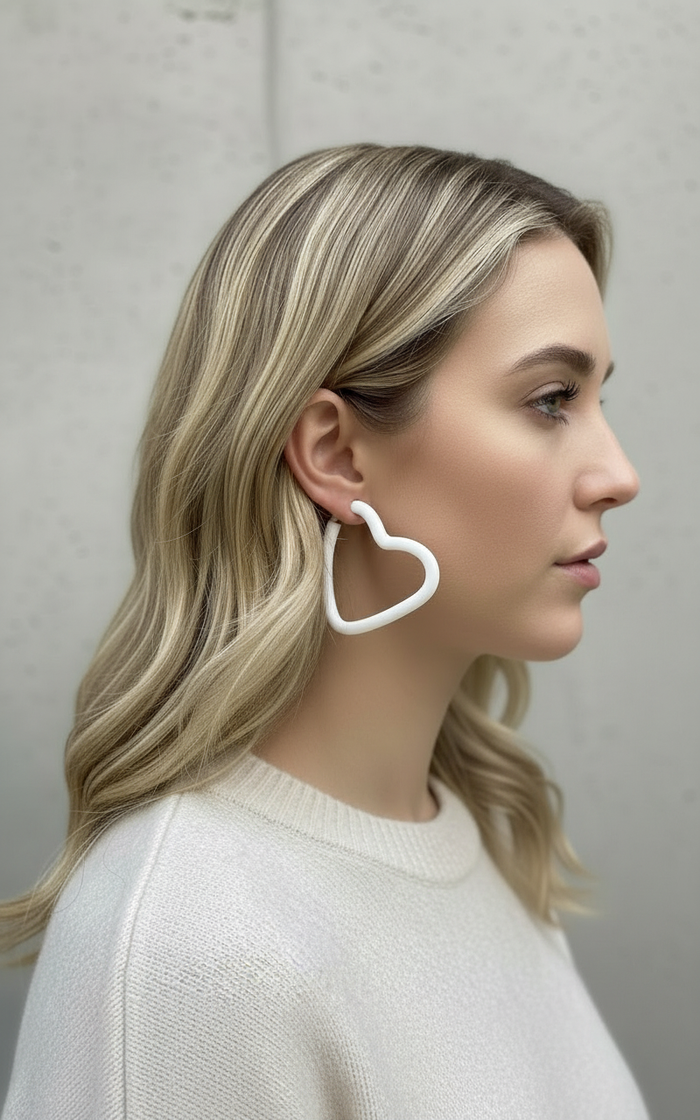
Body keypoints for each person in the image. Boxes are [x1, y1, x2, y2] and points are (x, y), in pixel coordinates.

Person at [1, 144, 649, 1119]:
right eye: (551, 399)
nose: (617, 472)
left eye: (599, 396)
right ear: (336, 454)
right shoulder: (194, 943)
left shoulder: (479, 840)